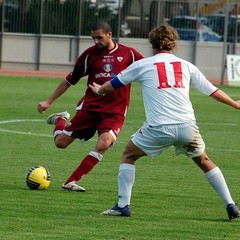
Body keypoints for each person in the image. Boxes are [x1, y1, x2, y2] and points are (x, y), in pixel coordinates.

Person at [89, 23, 240, 219]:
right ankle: (230, 205)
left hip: (159, 128)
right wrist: (235, 104)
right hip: (187, 127)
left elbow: (111, 86)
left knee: (128, 155)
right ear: (173, 44)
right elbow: (213, 91)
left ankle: (123, 205)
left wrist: (98, 90)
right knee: (204, 160)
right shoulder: (187, 66)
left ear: (152, 44)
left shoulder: (142, 65)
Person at [37, 20, 143, 192]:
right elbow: (70, 80)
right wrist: (49, 101)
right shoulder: (89, 55)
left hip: (114, 112)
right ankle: (61, 119)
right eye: (93, 38)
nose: (96, 42)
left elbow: (147, 69)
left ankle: (70, 181)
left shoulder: (129, 54)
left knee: (104, 143)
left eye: (99, 38)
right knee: (61, 143)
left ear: (110, 35)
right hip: (90, 108)